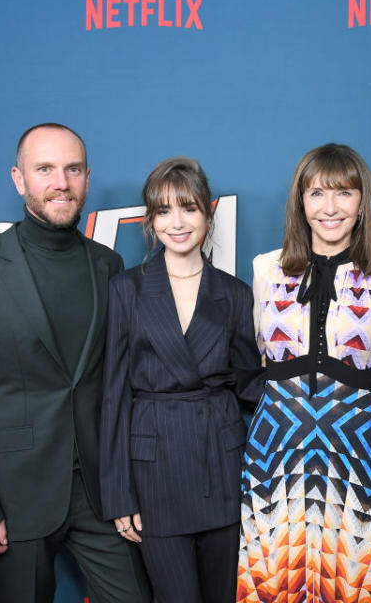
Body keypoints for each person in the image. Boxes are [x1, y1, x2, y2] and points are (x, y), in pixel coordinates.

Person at [0, 124, 150, 602]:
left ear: (88, 179)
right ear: (19, 179)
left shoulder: (107, 265)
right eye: (45, 169)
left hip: (100, 495)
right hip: (13, 500)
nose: (61, 182)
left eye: (73, 169)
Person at [238, 143, 371, 602]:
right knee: (278, 576)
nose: (329, 208)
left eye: (344, 194)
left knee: (354, 578)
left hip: (358, 447)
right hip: (277, 447)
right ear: (300, 202)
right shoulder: (264, 269)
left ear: (362, 203)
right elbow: (257, 365)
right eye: (316, 194)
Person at [100, 157, 265, 603]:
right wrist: (118, 495)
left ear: (207, 216)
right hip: (154, 474)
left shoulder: (234, 293)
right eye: (164, 210)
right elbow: (113, 395)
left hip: (223, 465)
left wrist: (312, 398)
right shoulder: (127, 290)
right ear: (151, 221)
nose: (178, 222)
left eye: (189, 208)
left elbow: (252, 384)